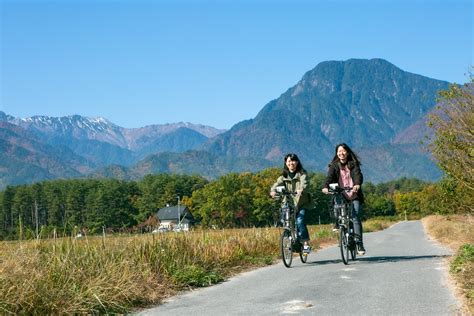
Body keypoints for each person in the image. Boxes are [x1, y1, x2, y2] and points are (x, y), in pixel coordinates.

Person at [322, 143, 366, 255]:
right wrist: (325, 187)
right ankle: (338, 224)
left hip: (353, 193)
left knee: (355, 217)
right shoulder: (334, 165)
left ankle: (359, 243)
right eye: (339, 151)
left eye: (343, 151)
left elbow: (358, 175)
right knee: (337, 208)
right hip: (340, 193)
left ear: (347, 152)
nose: (341, 153)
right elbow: (329, 177)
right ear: (337, 153)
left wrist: (357, 184)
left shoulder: (353, 164)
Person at [270, 153, 314, 253]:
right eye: (289, 161)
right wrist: (273, 191)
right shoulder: (283, 176)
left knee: (300, 221)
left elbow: (305, 183)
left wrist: (301, 189)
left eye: (293, 161)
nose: (291, 163)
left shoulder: (302, 174)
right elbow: (276, 184)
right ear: (286, 163)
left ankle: (305, 244)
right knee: (286, 221)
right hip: (288, 202)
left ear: (297, 162)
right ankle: (289, 236)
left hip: (302, 203)